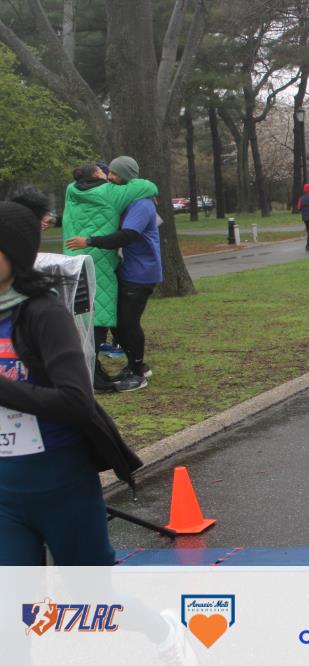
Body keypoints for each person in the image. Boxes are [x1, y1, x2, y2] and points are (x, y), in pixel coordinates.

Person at [0, 201, 144, 565]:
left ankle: (144, 617)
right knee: (15, 596)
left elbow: (76, 401)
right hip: (4, 491)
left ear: (14, 254)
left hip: (59, 481)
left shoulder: (43, 314)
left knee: (89, 591)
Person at [61, 158, 158, 391]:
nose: (110, 176)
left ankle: (129, 368)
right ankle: (97, 372)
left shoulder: (71, 191)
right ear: (97, 175)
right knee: (105, 318)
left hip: (80, 262)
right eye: (107, 173)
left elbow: (127, 235)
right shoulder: (112, 193)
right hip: (103, 264)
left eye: (114, 173)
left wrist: (88, 240)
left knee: (107, 319)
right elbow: (149, 186)